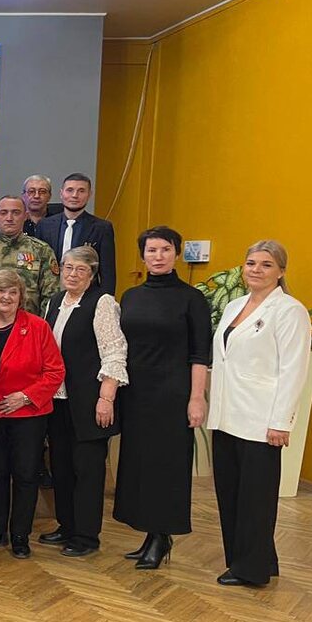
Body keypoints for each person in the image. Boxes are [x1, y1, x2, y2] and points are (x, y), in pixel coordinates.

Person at [208, 241, 310, 587]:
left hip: (261, 420)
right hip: (226, 415)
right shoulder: (234, 305)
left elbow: (294, 370)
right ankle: (261, 560)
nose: (256, 269)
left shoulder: (289, 310)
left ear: (281, 271)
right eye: (251, 263)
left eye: (266, 264)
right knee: (230, 493)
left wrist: (281, 422)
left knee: (255, 499)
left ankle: (249, 571)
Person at [114, 226, 212, 570]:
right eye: (151, 250)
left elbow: (200, 354)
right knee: (139, 464)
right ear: (143, 256)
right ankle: (148, 533)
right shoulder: (130, 296)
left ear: (176, 254)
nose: (158, 256)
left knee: (166, 466)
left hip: (172, 394)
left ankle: (162, 535)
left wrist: (197, 398)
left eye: (165, 250)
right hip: (136, 394)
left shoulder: (192, 299)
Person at [40, 245, 128, 557]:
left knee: (87, 470)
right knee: (62, 466)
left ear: (92, 275)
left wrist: (107, 397)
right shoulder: (54, 301)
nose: (73, 274)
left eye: (81, 269)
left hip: (90, 400)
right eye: (68, 267)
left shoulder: (102, 302)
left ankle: (87, 535)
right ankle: (66, 525)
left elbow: (114, 351)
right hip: (58, 400)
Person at [0, 270, 65, 559]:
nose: (6, 297)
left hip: (28, 415)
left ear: (21, 297)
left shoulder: (38, 327)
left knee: (25, 476)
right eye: (1, 291)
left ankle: (20, 536)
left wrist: (25, 396)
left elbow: (55, 371)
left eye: (13, 292)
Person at [0, 196, 60, 316]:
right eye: (3, 213)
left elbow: (51, 295)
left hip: (29, 322)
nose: (9, 218)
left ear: (25, 216)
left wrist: (41, 324)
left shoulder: (41, 250)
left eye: (16, 213)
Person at [36, 173, 117, 297]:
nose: (75, 195)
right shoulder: (44, 225)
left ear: (89, 194)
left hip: (87, 296)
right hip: (49, 294)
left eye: (81, 191)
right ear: (61, 193)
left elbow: (108, 272)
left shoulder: (101, 228)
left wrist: (106, 300)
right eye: (70, 190)